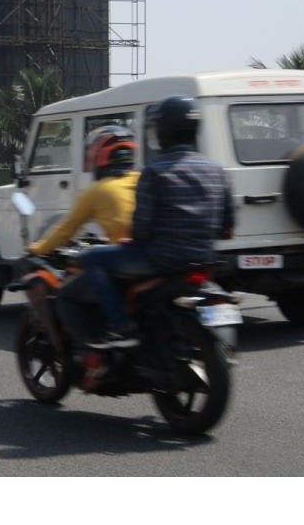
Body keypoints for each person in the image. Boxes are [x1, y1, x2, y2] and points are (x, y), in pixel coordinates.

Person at [79, 96, 235, 348]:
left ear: (164, 130)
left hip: (161, 260)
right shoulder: (216, 170)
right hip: (206, 259)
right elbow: (227, 227)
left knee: (90, 258)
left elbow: (142, 228)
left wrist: (134, 240)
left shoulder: (154, 170)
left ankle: (120, 325)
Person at [27, 125, 139, 256]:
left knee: (85, 260)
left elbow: (66, 230)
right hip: (152, 254)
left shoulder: (97, 190)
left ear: (99, 155)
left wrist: (37, 248)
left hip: (128, 258)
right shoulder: (141, 178)